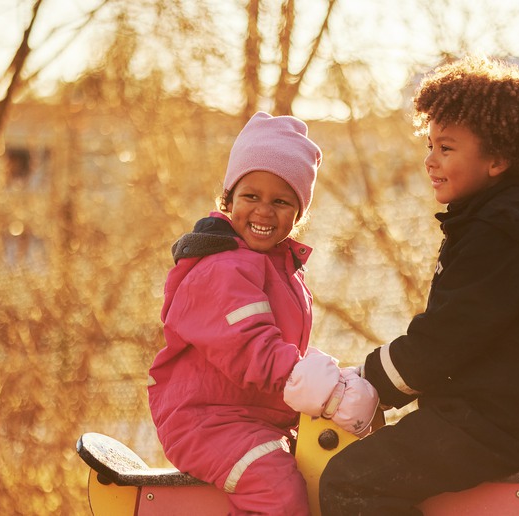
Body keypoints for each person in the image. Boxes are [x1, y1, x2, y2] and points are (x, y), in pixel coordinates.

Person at [319, 56, 519, 515]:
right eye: (429, 145)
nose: (430, 161)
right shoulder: (508, 221)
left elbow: (446, 337)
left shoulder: (499, 235)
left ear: (498, 160)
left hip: (499, 422)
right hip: (504, 415)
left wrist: (367, 382)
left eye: (446, 149)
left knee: (353, 482)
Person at [148, 111, 378, 516]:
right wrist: (328, 392)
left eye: (281, 201)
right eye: (251, 196)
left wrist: (335, 380)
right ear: (229, 198)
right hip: (205, 421)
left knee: (328, 470)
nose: (264, 211)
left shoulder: (279, 267)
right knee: (278, 491)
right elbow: (253, 347)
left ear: (298, 214)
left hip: (253, 420)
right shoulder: (221, 267)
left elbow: (284, 350)